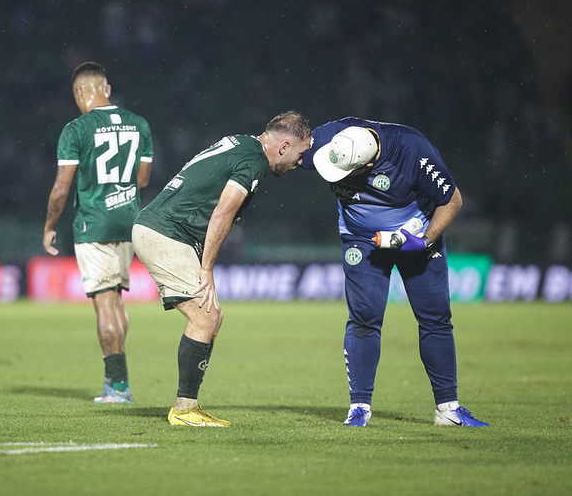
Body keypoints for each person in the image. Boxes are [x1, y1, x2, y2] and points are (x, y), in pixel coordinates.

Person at [300, 116, 488, 427]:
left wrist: (425, 240)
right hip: (360, 239)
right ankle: (359, 407)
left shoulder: (414, 152)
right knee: (364, 318)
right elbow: (285, 150)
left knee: (435, 318)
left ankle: (448, 409)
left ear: (368, 165)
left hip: (416, 236)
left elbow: (452, 200)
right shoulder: (332, 138)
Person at [133, 111, 312, 427]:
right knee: (206, 316)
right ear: (284, 147)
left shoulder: (242, 143)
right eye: (300, 154)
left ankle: (189, 406)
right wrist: (207, 270)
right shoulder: (255, 160)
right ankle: (184, 410)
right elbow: (222, 213)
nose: (300, 163)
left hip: (165, 230)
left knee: (211, 317)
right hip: (167, 233)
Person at [43, 61, 153, 404]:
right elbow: (144, 180)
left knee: (104, 303)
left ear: (79, 92)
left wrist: (49, 226)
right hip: (129, 221)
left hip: (95, 223)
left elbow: (62, 188)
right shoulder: (139, 124)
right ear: (106, 89)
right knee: (116, 301)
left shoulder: (76, 129)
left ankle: (117, 386)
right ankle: (119, 383)